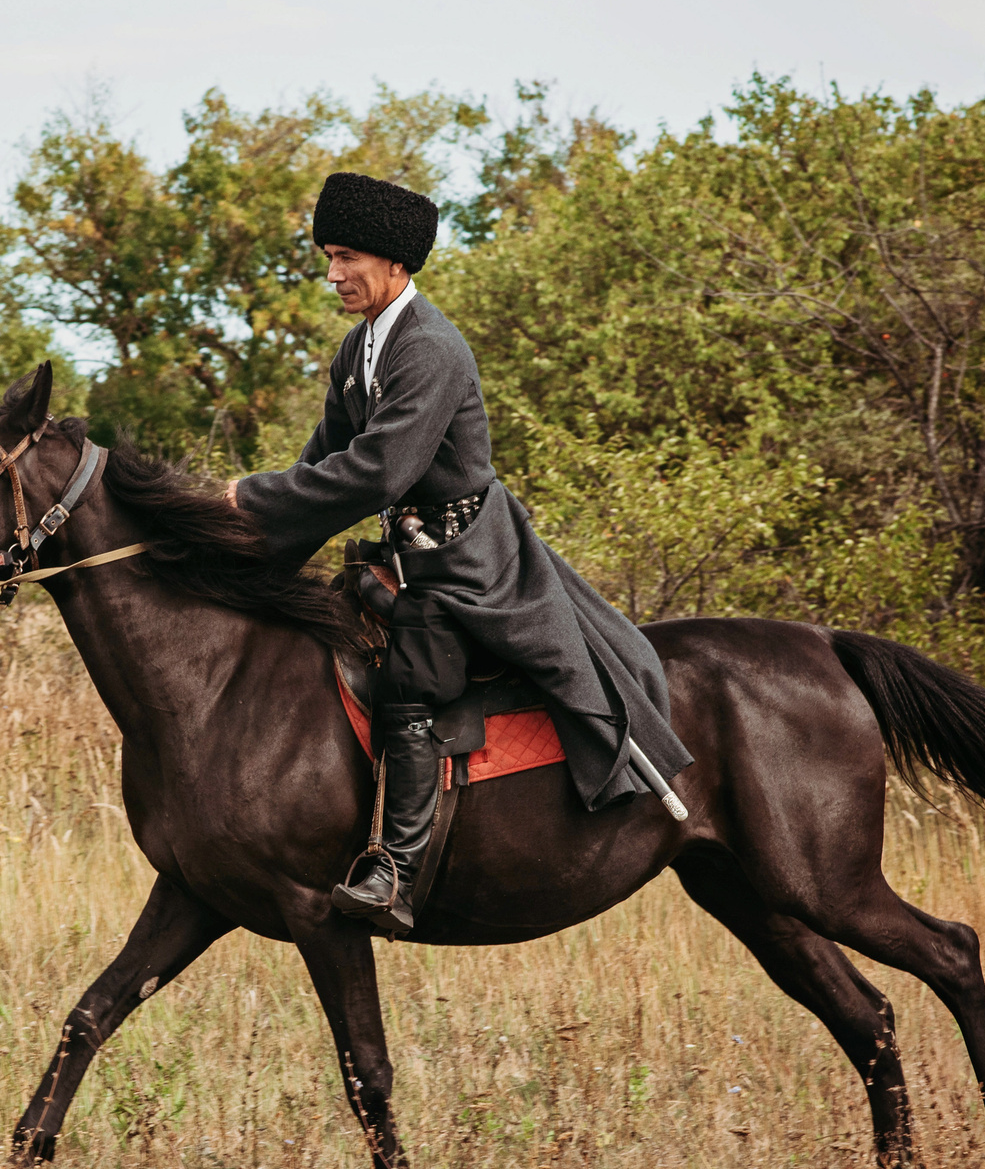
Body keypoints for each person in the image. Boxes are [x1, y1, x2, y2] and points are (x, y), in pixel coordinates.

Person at [227, 171, 694, 933]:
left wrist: (250, 495)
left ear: (396, 264)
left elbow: (379, 470)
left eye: (346, 257)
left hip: (470, 562)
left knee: (414, 669)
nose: (333, 274)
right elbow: (323, 471)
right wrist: (247, 548)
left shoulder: (432, 349)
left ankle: (397, 868)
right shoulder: (357, 353)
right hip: (403, 556)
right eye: (328, 257)